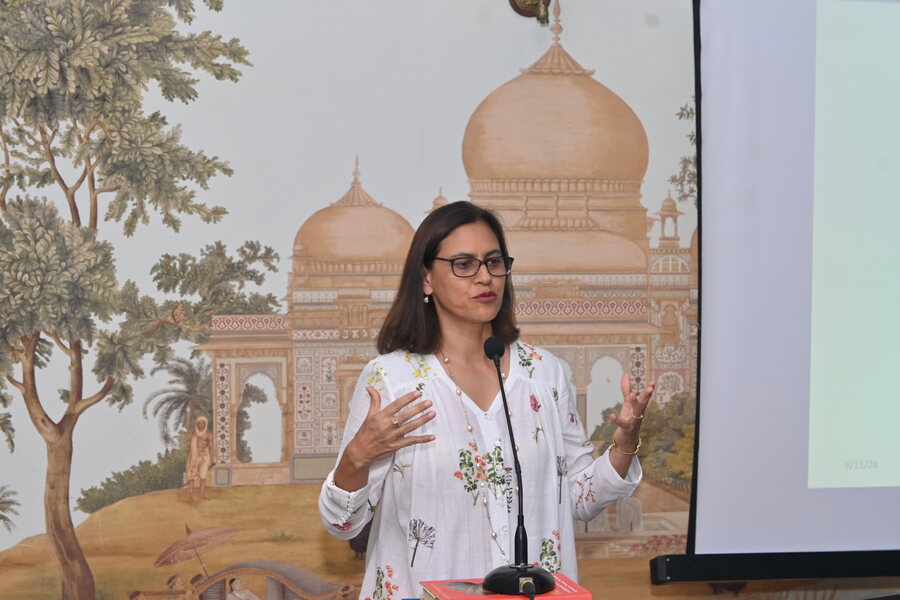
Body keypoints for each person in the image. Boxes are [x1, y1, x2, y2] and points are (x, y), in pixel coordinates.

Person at [318, 201, 654, 599]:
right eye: (464, 264)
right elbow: (343, 524)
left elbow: (579, 497)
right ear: (426, 278)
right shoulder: (392, 379)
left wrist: (626, 441)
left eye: (494, 262)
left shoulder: (543, 373)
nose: (485, 277)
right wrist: (357, 457)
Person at [185, 416, 214, 500]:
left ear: (205, 424)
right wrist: (188, 456)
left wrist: (212, 458)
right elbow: (188, 445)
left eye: (203, 423)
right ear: (197, 424)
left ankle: (202, 494)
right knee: (192, 474)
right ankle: (190, 494)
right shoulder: (193, 434)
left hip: (205, 455)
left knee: (203, 475)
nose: (201, 425)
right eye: (200, 423)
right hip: (194, 455)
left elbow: (211, 446)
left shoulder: (209, 433)